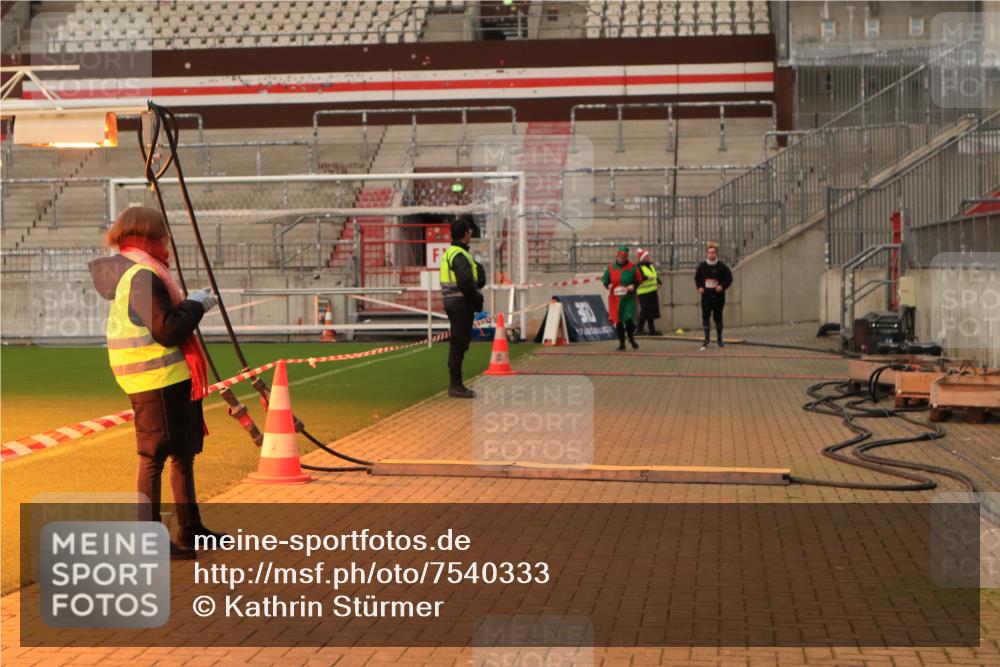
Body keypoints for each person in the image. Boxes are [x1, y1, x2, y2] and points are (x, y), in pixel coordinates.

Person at [89, 206, 224, 560]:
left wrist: (191, 305)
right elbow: (167, 330)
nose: (167, 238)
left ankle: (191, 529)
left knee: (181, 453)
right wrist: (195, 305)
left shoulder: (134, 269)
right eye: (163, 231)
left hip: (161, 377)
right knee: (154, 458)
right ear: (152, 233)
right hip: (157, 379)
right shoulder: (142, 273)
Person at [440, 218, 486, 398]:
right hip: (460, 304)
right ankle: (455, 385)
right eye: (469, 231)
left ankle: (456, 384)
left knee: (459, 343)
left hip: (455, 303)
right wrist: (477, 299)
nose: (471, 233)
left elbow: (473, 279)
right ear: (466, 233)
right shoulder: (459, 254)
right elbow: (466, 282)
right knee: (459, 344)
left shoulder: (454, 253)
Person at [601, 244, 644, 351]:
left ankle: (631, 338)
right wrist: (608, 285)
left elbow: (639, 280)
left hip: (628, 298)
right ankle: (622, 344)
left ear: (626, 258)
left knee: (628, 319)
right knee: (619, 321)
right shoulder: (611, 268)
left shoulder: (633, 268)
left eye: (623, 257)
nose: (621, 259)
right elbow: (605, 280)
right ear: (617, 256)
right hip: (615, 299)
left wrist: (633, 286)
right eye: (620, 257)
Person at [694, 241, 733, 350]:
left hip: (718, 297)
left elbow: (729, 278)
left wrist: (722, 286)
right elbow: (697, 278)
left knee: (718, 318)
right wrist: (699, 287)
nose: (711, 254)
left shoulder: (722, 266)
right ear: (707, 254)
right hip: (706, 297)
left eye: (713, 252)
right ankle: (706, 339)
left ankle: (719, 339)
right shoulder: (702, 267)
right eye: (709, 252)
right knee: (705, 317)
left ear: (716, 254)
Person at [635, 248, 663, 335]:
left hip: (652, 291)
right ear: (642, 258)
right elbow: (639, 277)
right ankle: (639, 330)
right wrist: (647, 278)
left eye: (648, 256)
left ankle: (652, 330)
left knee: (651, 311)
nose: (648, 258)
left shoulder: (650, 266)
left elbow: (655, 276)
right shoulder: (639, 267)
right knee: (644, 311)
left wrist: (659, 282)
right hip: (643, 292)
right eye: (646, 256)